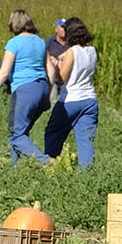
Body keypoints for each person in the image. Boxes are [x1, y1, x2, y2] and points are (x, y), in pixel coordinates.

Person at [0, 9, 52, 164]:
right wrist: (48, 93)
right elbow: (50, 69)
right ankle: (16, 170)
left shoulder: (14, 43)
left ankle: (45, 162)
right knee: (21, 133)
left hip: (24, 89)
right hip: (42, 87)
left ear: (13, 24)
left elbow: (4, 72)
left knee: (16, 135)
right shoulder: (40, 41)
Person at [43, 17, 98, 168]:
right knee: (86, 141)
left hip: (70, 99)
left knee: (53, 133)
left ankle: (50, 166)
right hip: (90, 100)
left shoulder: (72, 52)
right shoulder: (92, 50)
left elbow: (62, 78)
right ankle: (86, 174)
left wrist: (56, 63)